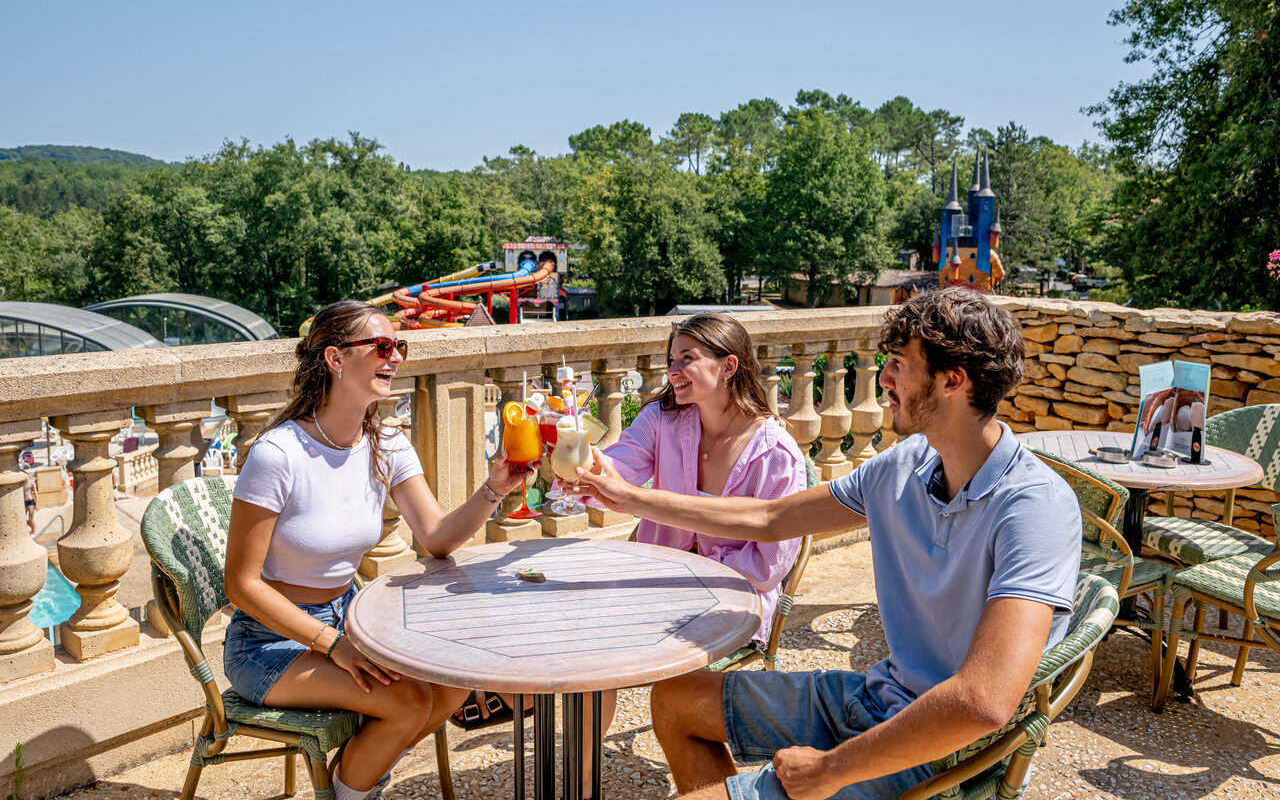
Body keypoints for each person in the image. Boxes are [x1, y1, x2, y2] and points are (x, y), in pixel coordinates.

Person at [575, 287, 1081, 800]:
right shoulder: (902, 467)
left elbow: (982, 702)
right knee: (676, 700)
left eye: (899, 364)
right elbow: (770, 517)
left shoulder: (1034, 507)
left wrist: (831, 770)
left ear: (953, 381)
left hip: (942, 751)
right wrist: (629, 498)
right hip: (881, 698)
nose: (883, 378)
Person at [454, 313, 805, 796]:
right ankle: (576, 783)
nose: (673, 371)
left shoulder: (774, 454)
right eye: (670, 360)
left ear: (728, 366)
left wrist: (673, 518)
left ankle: (517, 692)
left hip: (731, 605)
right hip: (652, 590)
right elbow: (619, 473)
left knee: (600, 644)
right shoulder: (663, 419)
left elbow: (766, 569)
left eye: (687, 359)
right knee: (580, 627)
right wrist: (585, 464)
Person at [223, 300, 535, 800]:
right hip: (268, 643)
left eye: (400, 347)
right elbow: (240, 585)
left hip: (351, 618)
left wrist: (493, 489)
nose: (396, 357)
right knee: (410, 701)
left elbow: (435, 537)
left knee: (457, 675)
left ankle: (359, 775)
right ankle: (358, 785)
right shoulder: (277, 455)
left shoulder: (386, 444)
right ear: (335, 358)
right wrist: (334, 645)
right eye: (383, 346)